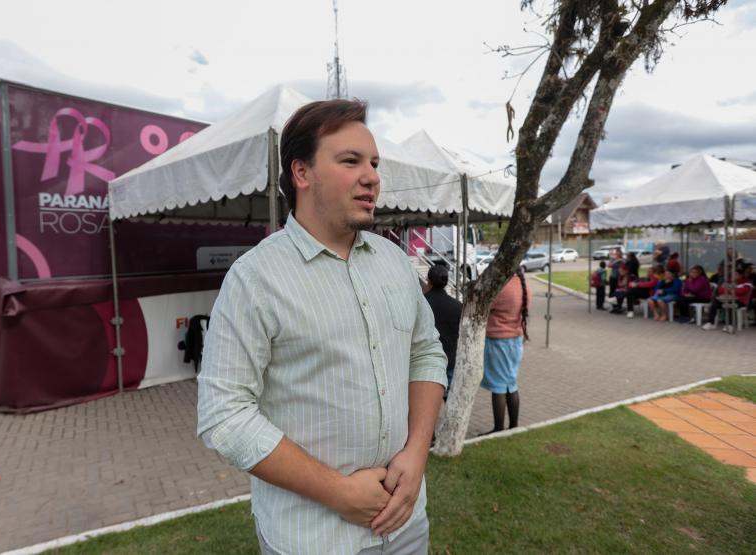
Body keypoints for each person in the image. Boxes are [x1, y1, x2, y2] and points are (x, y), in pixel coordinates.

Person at [196, 99, 447, 555]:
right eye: (350, 161)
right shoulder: (255, 279)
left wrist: (416, 453)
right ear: (302, 172)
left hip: (406, 523)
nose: (371, 177)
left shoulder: (394, 260)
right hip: (312, 538)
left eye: (374, 163)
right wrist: (338, 492)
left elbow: (425, 352)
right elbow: (224, 415)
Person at [480, 270, 532, 434]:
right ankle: (513, 426)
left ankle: (498, 428)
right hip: (516, 339)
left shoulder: (501, 286)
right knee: (510, 383)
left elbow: (484, 305)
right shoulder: (523, 284)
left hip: (499, 341)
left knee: (499, 386)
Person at [424, 264, 463, 401]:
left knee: (427, 402)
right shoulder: (457, 306)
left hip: (426, 362)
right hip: (450, 360)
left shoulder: (421, 304)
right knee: (450, 400)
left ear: (428, 281)